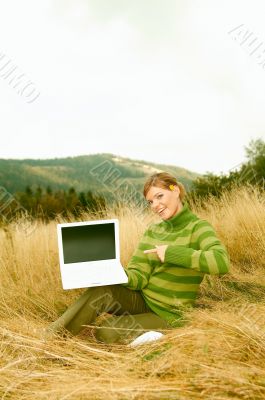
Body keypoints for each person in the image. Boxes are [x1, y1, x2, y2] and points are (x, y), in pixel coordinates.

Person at [46, 172, 230, 344]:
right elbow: (138, 276)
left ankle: (160, 335)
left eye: (159, 196)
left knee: (105, 332)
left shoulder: (199, 228)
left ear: (176, 190)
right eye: (150, 201)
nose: (155, 205)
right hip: (143, 300)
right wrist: (118, 274)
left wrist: (172, 253)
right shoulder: (153, 231)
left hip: (169, 314)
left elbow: (220, 262)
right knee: (101, 290)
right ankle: (50, 340)